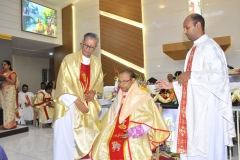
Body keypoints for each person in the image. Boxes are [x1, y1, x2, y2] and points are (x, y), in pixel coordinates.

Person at [155, 13, 235, 160]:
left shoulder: (211, 47)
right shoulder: (192, 50)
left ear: (198, 25)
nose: (184, 31)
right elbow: (189, 82)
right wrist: (172, 85)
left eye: (187, 27)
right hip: (193, 109)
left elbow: (220, 77)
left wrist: (193, 74)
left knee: (207, 146)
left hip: (208, 109)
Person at [92, 70, 170, 160]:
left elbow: (151, 120)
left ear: (133, 81)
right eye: (120, 81)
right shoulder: (119, 97)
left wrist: (132, 132)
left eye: (125, 81)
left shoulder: (142, 96)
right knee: (102, 144)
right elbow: (109, 119)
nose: (121, 84)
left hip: (134, 136)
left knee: (132, 149)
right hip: (115, 134)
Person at [53, 32, 103, 160]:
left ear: (95, 48)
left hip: (87, 104)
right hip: (68, 105)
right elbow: (63, 83)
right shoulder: (69, 59)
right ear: (81, 43)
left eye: (91, 47)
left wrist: (93, 93)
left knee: (89, 133)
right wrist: (76, 101)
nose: (87, 49)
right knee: (66, 137)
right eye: (85, 45)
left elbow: (98, 83)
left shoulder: (97, 63)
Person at [0, 60, 19, 130]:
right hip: (2, 91)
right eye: (2, 64)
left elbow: (13, 82)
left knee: (9, 107)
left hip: (10, 91)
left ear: (9, 66)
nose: (3, 66)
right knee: (3, 107)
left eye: (5, 64)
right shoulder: (1, 73)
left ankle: (10, 124)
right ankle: (4, 123)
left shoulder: (12, 73)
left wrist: (5, 78)